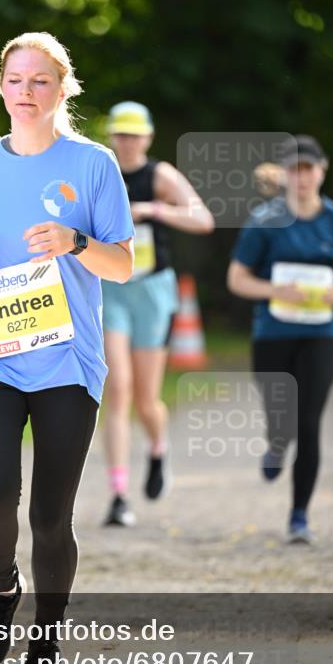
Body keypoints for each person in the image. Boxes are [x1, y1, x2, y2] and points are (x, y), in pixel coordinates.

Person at [0, 32, 134, 664]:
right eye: (15, 80)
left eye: (40, 81)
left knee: (49, 517)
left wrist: (76, 241)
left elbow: (124, 264)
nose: (25, 92)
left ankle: (46, 640)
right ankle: (2, 589)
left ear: (62, 89)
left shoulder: (92, 164)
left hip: (67, 360)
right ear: (0, 86)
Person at [227, 135, 333, 544]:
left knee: (308, 420)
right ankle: (275, 443)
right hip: (273, 334)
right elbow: (237, 279)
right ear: (285, 175)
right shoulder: (265, 220)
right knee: (281, 415)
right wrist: (274, 290)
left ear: (321, 171)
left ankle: (299, 516)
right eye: (295, 169)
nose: (302, 177)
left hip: (322, 334)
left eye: (309, 169)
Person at [101, 102, 214, 526]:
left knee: (147, 399)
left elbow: (203, 219)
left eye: (135, 135)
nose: (127, 142)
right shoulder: (100, 172)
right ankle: (118, 494)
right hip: (111, 287)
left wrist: (152, 209)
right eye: (120, 134)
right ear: (111, 136)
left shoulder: (159, 175)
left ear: (147, 138)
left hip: (152, 291)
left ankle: (158, 448)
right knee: (118, 389)